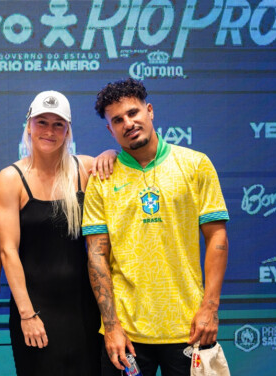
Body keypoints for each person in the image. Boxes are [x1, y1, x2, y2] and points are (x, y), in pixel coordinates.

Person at [82, 78, 229, 376]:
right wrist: (111, 326)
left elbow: (217, 238)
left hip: (189, 329)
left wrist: (210, 308)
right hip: (126, 336)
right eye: (118, 120)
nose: (128, 123)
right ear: (110, 129)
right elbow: (97, 256)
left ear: (149, 111)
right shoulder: (102, 178)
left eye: (134, 113)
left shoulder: (195, 164)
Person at [0, 91, 116, 375]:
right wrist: (27, 314)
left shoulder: (84, 168)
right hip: (35, 310)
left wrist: (111, 154)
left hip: (85, 309)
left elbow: (119, 166)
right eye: (42, 122)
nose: (49, 131)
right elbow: (7, 252)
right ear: (29, 125)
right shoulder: (11, 179)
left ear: (68, 130)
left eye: (58, 124)